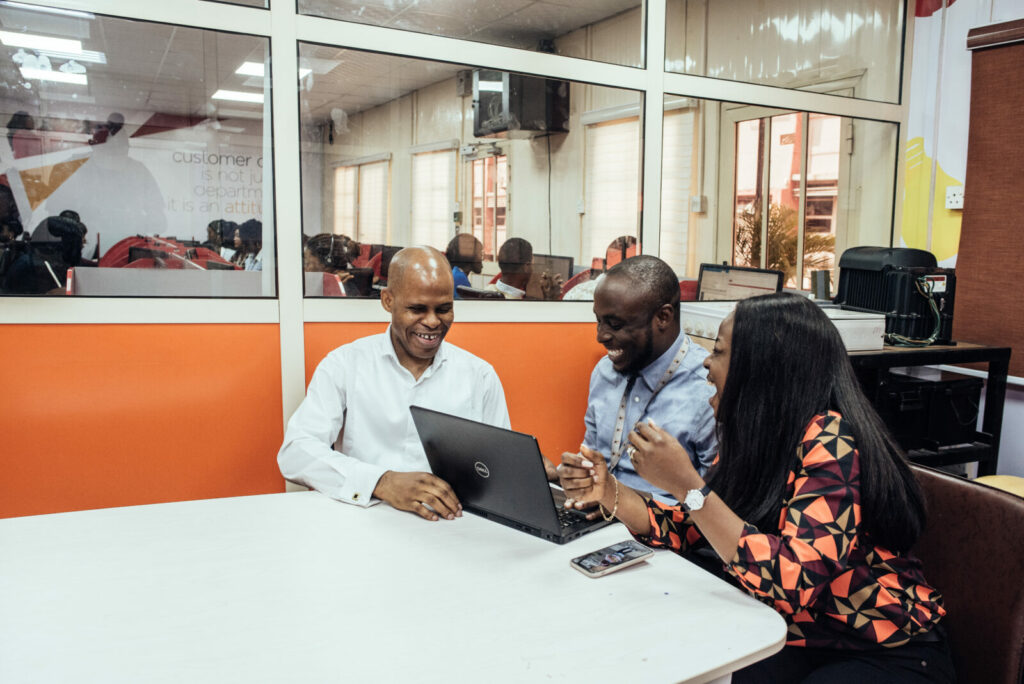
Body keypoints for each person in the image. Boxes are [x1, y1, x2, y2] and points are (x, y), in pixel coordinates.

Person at [559, 293, 955, 683]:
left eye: (718, 352)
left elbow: (796, 579)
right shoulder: (753, 434)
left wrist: (687, 486)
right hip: (793, 636)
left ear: (762, 367)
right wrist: (610, 490)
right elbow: (695, 527)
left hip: (881, 647)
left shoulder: (829, 438)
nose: (706, 367)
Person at [278, 246, 510, 520]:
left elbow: (497, 468)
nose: (433, 321)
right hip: (362, 524)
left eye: (444, 309)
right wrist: (381, 482)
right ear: (388, 301)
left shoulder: (479, 375)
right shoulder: (345, 364)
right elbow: (296, 452)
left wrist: (525, 471)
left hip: (451, 530)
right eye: (417, 309)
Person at [558, 255, 716, 506]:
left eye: (615, 324)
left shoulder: (707, 390)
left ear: (663, 317)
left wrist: (623, 502)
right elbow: (592, 457)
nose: (601, 336)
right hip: (600, 520)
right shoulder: (604, 372)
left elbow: (714, 505)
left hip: (669, 535)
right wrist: (573, 476)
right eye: (598, 321)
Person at [486, 237, 561, 300]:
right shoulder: (516, 305)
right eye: (532, 265)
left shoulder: (487, 290)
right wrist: (550, 299)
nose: (532, 269)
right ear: (526, 267)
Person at [445, 232, 483, 298]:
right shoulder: (459, 278)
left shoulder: (455, 273)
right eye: (479, 252)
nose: (481, 257)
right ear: (469, 256)